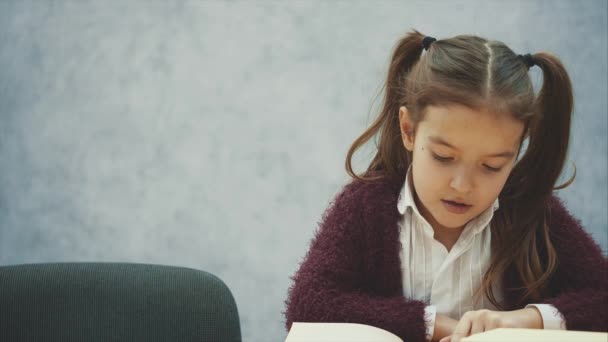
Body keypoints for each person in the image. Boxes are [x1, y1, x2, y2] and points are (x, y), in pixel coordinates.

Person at [283, 30, 607, 342]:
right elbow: (310, 303)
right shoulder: (366, 206)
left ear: (517, 150)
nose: (462, 185)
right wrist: (433, 324)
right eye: (443, 157)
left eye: (492, 166)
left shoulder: (532, 211)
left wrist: (522, 321)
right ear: (409, 130)